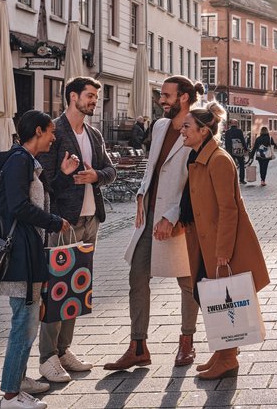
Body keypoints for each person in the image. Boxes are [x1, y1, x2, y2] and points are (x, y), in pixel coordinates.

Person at [105, 76, 202, 371]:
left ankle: (187, 343)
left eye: (167, 96)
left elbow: (195, 183)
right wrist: (140, 193)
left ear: (184, 97)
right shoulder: (159, 126)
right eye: (162, 95)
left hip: (179, 217)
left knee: (186, 281)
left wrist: (172, 216)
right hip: (149, 212)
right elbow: (154, 167)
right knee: (137, 276)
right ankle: (138, 346)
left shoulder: (200, 129)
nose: (162, 100)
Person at [0, 110, 73, 409]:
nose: (53, 137)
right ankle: (11, 395)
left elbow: (41, 198)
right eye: (50, 132)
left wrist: (63, 174)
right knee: (24, 324)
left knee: (26, 321)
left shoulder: (27, 161)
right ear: (38, 131)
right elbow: (18, 206)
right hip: (22, 254)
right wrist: (52, 222)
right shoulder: (19, 160)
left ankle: (19, 381)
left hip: (29, 251)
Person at [178, 102, 270, 379]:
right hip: (204, 241)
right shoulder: (199, 156)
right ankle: (222, 352)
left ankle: (228, 357)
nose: (181, 131)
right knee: (210, 296)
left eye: (187, 127)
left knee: (222, 298)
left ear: (203, 131)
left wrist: (223, 251)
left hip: (217, 244)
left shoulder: (217, 160)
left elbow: (228, 209)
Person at [37, 76, 116, 383]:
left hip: (90, 219)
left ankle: (64, 349)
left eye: (96, 96)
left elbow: (111, 170)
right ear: (73, 97)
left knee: (76, 289)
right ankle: (47, 357)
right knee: (57, 289)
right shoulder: (54, 132)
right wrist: (69, 176)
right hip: (64, 221)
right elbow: (44, 183)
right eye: (90, 96)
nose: (95, 100)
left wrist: (97, 175)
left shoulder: (94, 134)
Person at [223, 120, 248, 184]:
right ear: (236, 124)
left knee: (231, 165)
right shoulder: (239, 131)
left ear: (230, 124)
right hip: (239, 151)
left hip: (230, 151)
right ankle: (241, 180)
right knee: (242, 164)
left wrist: (227, 151)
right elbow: (242, 140)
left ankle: (232, 179)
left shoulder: (227, 132)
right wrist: (246, 149)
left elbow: (226, 143)